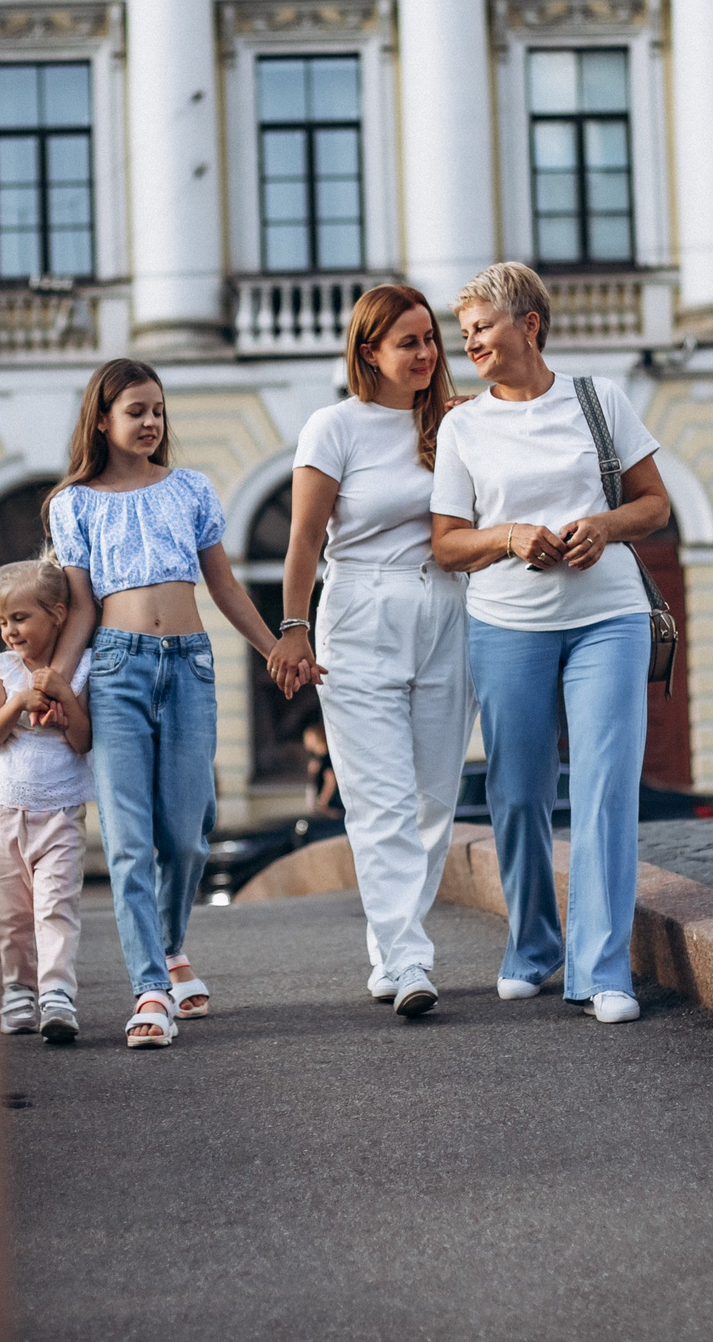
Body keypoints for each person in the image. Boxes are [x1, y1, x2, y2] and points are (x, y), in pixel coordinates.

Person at [428, 263, 670, 1026]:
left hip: (611, 617)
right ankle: (532, 944)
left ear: (529, 323)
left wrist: (603, 525)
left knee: (604, 787)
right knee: (519, 789)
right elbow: (446, 543)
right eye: (462, 331)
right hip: (507, 626)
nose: (469, 342)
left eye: (483, 326)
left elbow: (655, 504)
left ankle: (602, 968)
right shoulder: (462, 426)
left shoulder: (601, 401)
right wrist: (507, 538)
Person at [47, 358, 292, 1050]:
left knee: (186, 834)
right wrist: (58, 684)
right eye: (136, 411)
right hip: (119, 669)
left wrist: (275, 647)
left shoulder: (190, 489)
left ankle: (172, 942)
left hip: (190, 665)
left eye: (158, 409)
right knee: (127, 839)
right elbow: (81, 609)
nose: (151, 422)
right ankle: (150, 987)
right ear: (102, 418)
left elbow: (225, 586)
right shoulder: (75, 503)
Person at [266, 283, 471, 1020]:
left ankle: (390, 950)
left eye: (429, 339)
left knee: (434, 797)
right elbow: (303, 540)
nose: (425, 353)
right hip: (358, 613)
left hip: (448, 609)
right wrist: (293, 625)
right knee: (378, 797)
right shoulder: (334, 427)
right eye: (407, 341)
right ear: (369, 352)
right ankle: (412, 956)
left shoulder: (453, 423)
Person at [0, 558, 93, 1046]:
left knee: (55, 907)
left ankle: (57, 995)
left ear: (58, 614)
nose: (9, 631)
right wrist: (18, 702)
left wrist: (64, 699)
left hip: (61, 811)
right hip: (2, 811)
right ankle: (17, 991)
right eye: (2, 622)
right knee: (10, 912)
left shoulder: (81, 668)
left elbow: (84, 742)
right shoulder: (0, 671)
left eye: (20, 618)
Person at [303, 721, 343, 818]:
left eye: (308, 736)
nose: (305, 740)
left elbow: (331, 779)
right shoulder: (318, 759)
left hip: (333, 806)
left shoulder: (325, 758)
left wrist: (323, 802)